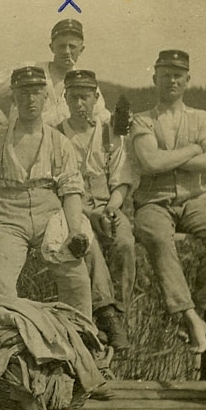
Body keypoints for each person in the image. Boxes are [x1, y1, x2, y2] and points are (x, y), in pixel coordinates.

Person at [130, 50, 206, 354]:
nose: (171, 81)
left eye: (178, 75)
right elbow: (150, 162)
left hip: (193, 201)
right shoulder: (142, 120)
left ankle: (200, 313)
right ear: (154, 79)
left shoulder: (201, 118)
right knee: (157, 238)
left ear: (188, 80)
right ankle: (187, 316)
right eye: (165, 75)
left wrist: (168, 158)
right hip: (153, 203)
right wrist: (193, 150)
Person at [0, 66, 92, 318]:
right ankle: (13, 335)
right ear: (13, 97)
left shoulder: (59, 142)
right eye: (23, 93)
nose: (30, 99)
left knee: (77, 280)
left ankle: (81, 334)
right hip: (8, 215)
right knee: (0, 282)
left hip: (49, 214)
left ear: (45, 97)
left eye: (35, 93)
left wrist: (74, 231)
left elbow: (71, 190)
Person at [59, 69, 134, 350]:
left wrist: (111, 209)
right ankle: (106, 316)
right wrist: (88, 214)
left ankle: (119, 314)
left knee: (124, 242)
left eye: (85, 97)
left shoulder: (108, 132)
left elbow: (121, 180)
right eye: (74, 97)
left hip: (106, 204)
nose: (79, 104)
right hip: (72, 207)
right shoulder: (57, 133)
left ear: (95, 97)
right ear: (65, 99)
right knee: (89, 243)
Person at [0, 19, 110, 127]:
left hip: (65, 144)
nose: (66, 51)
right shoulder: (29, 69)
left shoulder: (85, 82)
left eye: (72, 46)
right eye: (61, 46)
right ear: (52, 47)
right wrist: (3, 123)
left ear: (81, 50)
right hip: (23, 142)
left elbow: (102, 116)